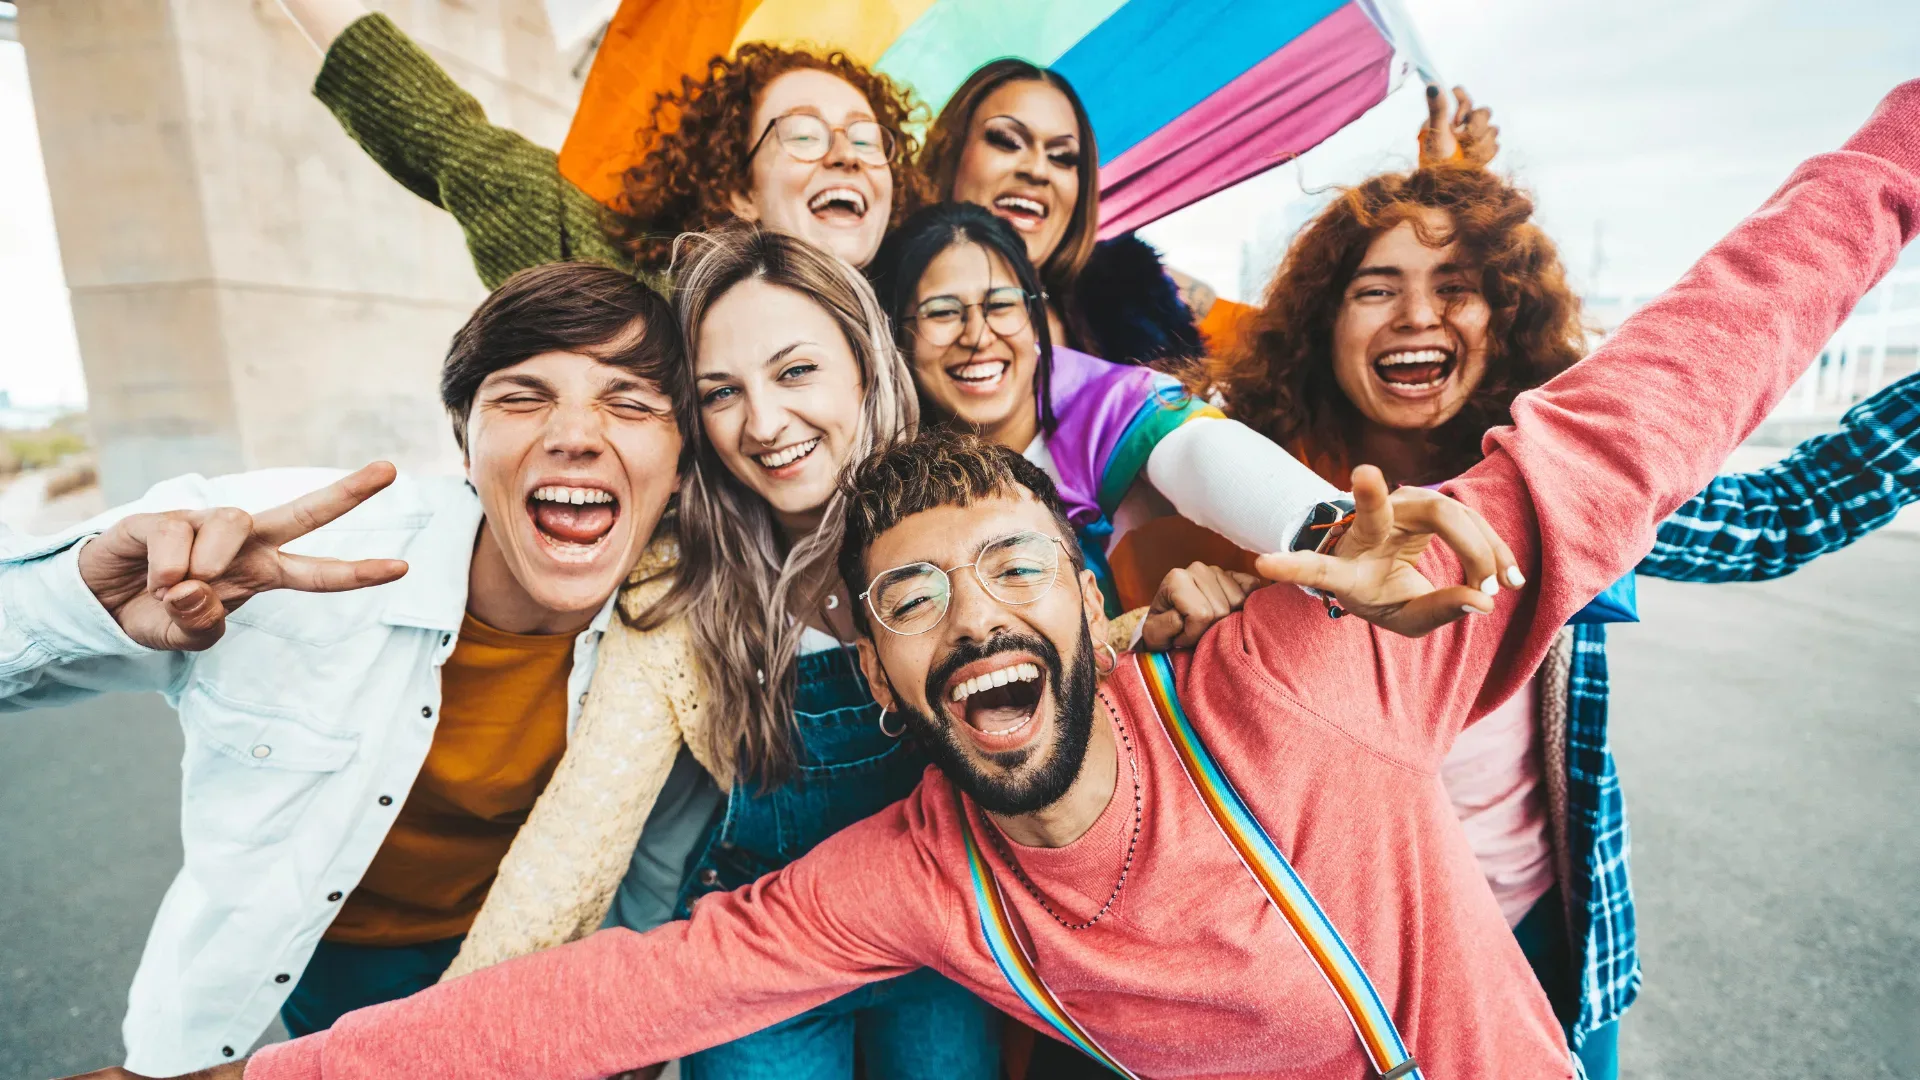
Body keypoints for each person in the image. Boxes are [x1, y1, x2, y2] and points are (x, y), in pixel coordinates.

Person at [85, 76, 1919, 1080]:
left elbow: (1673, 382)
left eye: (1008, 568)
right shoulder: (909, 865)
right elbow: (599, 988)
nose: (973, 615)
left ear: (1095, 583)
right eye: (912, 601)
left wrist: (1900, 155)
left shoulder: (1320, 662)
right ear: (872, 673)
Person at [1200, 162, 1920, 1079]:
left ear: (1504, 320)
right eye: (1375, 290)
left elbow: (1781, 514)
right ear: (1320, 323)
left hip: (1545, 930)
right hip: (1335, 969)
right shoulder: (1235, 496)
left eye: (1455, 289)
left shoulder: (1559, 492)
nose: (1418, 315)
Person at [0, 262, 691, 1076]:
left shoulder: (687, 627)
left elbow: (662, 852)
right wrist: (86, 595)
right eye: (521, 395)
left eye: (630, 401)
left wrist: (640, 1018)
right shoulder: (282, 546)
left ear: (682, 463)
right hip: (305, 959)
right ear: (463, 440)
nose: (575, 433)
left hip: (518, 953)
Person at [869, 201, 1353, 614]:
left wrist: (1333, 534)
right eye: (943, 312)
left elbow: (1195, 449)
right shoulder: (877, 455)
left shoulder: (1113, 404)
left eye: (1002, 305)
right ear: (896, 333)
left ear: (1036, 316)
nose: (977, 336)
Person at [274, 0, 928, 286]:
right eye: (804, 134)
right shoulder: (621, 285)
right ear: (737, 186)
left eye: (869, 140)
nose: (845, 154)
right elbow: (441, 129)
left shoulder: (926, 318)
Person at [920, 61, 1495, 365]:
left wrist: (1445, 195)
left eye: (1063, 156)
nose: (1037, 170)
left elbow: (1298, 352)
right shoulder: (871, 305)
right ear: (948, 153)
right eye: (1006, 140)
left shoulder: (1136, 290)